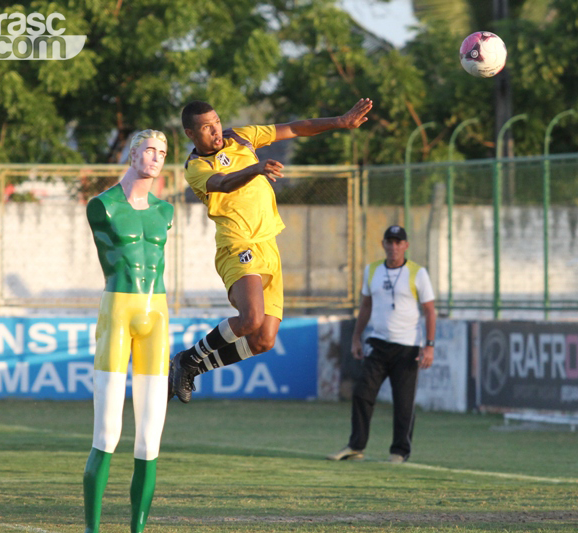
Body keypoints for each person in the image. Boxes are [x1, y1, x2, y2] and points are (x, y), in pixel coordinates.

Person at [169, 98, 373, 403]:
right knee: (250, 319)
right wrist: (256, 168)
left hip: (269, 245)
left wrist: (340, 122)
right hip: (237, 243)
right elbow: (223, 184)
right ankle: (187, 358)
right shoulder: (197, 167)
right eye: (207, 127)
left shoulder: (241, 136)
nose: (216, 130)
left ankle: (194, 366)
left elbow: (293, 128)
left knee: (263, 339)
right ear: (190, 133)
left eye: (217, 122)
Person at [83, 130, 173, 533]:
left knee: (150, 439)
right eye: (150, 150)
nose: (156, 158)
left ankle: (138, 529)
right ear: (133, 153)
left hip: (157, 315)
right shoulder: (101, 205)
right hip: (117, 311)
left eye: (163, 153)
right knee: (108, 434)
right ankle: (93, 528)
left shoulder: (165, 212)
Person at [327, 225, 436, 463]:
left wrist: (429, 345)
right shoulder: (372, 270)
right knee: (362, 394)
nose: (394, 247)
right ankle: (356, 447)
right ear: (383, 244)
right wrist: (357, 337)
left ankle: (399, 451)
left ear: (406, 246)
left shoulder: (418, 273)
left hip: (407, 347)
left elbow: (429, 310)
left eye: (399, 242)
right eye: (390, 241)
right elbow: (365, 306)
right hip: (377, 343)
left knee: (403, 402)